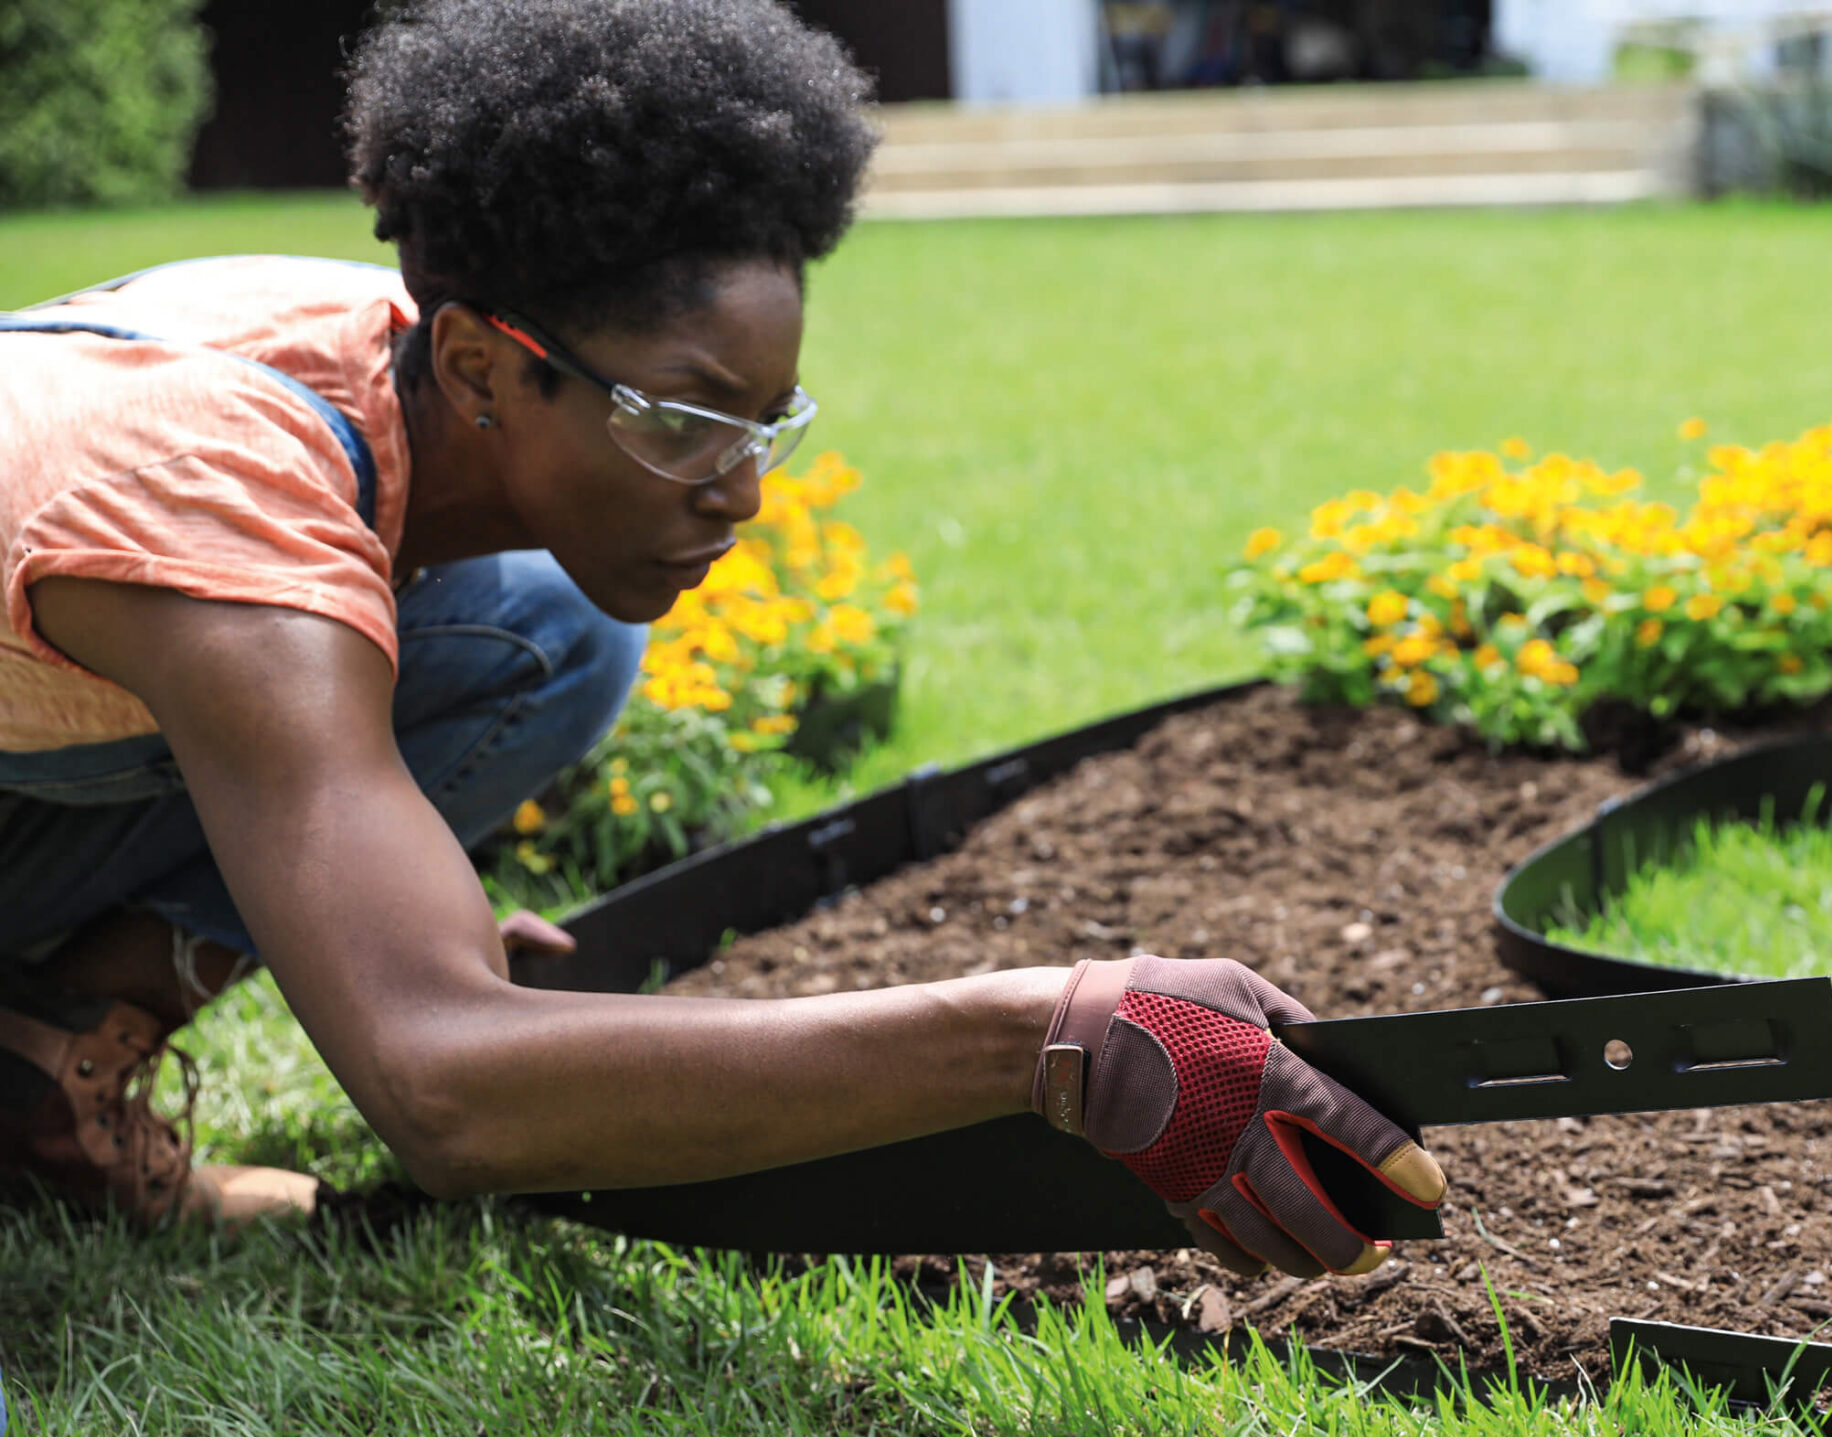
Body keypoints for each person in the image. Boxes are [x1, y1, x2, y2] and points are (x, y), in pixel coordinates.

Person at [0, 0, 1442, 1277]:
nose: (743, 491)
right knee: (499, 656)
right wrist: (1045, 1034)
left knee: (547, 631)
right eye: (686, 419)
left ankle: (42, 1060)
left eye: (766, 422)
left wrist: (384, 909)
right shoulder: (219, 506)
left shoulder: (375, 344)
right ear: (483, 366)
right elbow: (446, 1092)